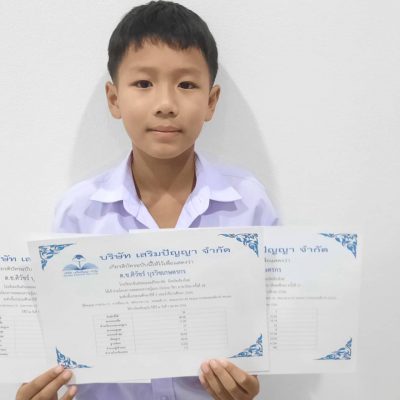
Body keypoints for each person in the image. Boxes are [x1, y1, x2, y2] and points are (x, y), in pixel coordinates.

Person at [16, 1, 277, 399]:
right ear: (113, 99)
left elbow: (268, 333)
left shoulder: (248, 203)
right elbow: (59, 336)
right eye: (143, 84)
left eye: (186, 85)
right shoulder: (80, 211)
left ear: (211, 101)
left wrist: (246, 385)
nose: (165, 103)